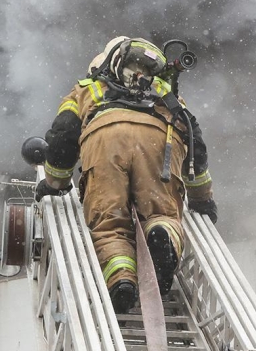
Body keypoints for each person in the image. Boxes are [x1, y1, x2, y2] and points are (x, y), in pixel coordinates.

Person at [35, 36, 217, 314]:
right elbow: (195, 145)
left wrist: (54, 182)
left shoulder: (86, 90)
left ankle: (121, 281)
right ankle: (161, 233)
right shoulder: (167, 94)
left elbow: (63, 137)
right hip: (159, 141)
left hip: (105, 140)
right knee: (162, 213)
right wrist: (202, 198)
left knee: (109, 223)